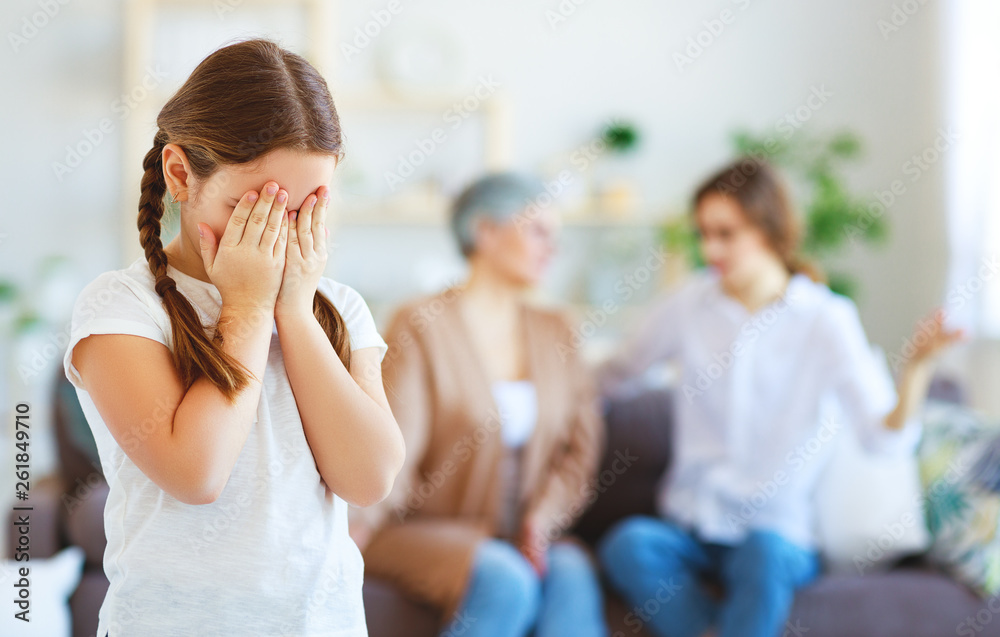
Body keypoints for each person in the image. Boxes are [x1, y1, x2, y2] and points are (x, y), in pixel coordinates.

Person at [62, 39, 405, 637]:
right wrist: (246, 311)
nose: (278, 236)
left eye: (303, 211)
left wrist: (293, 311)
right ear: (180, 175)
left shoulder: (338, 309)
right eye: (255, 208)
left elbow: (369, 479)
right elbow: (196, 474)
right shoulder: (121, 307)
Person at [596, 157, 963, 637]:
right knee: (627, 545)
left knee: (763, 556)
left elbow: (883, 441)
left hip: (775, 537)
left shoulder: (824, 318)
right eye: (703, 233)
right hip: (691, 527)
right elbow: (616, 375)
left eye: (726, 234)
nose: (710, 249)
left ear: (768, 228)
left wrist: (916, 369)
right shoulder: (687, 305)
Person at [349, 173, 608, 637]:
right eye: (538, 231)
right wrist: (357, 525)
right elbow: (394, 444)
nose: (553, 248)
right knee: (505, 579)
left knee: (570, 571)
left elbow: (579, 452)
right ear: (486, 232)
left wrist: (540, 522)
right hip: (425, 532)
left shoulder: (559, 329)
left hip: (526, 532)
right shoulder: (421, 322)